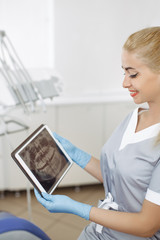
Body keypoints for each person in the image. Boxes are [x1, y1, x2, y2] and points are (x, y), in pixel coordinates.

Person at [34, 26, 160, 239]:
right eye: (124, 72)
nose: (124, 82)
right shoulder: (132, 118)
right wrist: (77, 156)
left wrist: (79, 209)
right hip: (98, 233)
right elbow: (122, 180)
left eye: (133, 74)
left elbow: (146, 225)